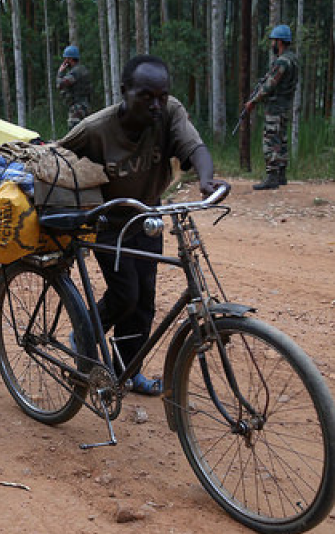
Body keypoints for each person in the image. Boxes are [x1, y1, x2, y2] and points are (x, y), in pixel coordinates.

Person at [60, 54, 228, 395]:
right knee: (126, 296)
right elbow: (56, 160)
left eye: (161, 96)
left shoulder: (169, 113)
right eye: (146, 96)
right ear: (125, 91)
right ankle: (84, 334)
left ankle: (127, 371)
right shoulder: (96, 129)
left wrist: (207, 180)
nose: (155, 104)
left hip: (147, 217)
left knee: (145, 302)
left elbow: (195, 147)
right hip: (109, 223)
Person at [245, 24, 299, 190]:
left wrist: (253, 101)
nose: (272, 45)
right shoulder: (293, 59)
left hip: (276, 107)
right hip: (284, 106)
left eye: (273, 41)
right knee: (281, 140)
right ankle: (281, 175)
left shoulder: (282, 61)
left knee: (271, 140)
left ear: (280, 42)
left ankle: (272, 176)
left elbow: (269, 85)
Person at [56, 45, 92, 132]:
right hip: (85, 106)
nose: (64, 61)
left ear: (70, 59)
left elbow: (60, 85)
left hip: (77, 108)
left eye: (66, 59)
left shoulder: (75, 72)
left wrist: (60, 73)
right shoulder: (83, 70)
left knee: (74, 134)